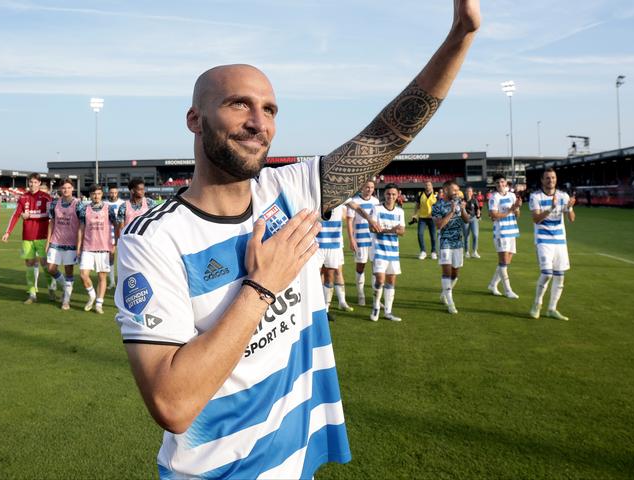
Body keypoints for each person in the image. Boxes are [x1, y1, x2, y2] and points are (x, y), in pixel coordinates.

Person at [113, 0, 480, 475]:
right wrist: (261, 288)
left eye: (269, 109)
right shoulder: (154, 239)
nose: (259, 123)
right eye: (238, 103)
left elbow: (389, 134)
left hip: (294, 462)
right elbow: (172, 404)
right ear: (194, 119)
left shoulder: (290, 190)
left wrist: (460, 37)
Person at [529, 168, 576, 320]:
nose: (551, 181)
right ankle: (537, 304)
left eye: (553, 178)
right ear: (542, 180)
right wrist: (551, 208)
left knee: (560, 276)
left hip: (560, 241)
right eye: (548, 178)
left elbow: (572, 219)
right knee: (547, 273)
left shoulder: (563, 195)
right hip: (543, 239)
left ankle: (552, 309)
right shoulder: (535, 196)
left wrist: (568, 207)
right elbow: (536, 219)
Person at [1, 173, 52, 304]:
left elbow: (49, 215)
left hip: (42, 236)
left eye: (35, 182)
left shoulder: (46, 197)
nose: (32, 184)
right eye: (30, 182)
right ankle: (32, 293)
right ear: (28, 183)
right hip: (27, 237)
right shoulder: (23, 197)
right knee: (29, 264)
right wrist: (8, 232)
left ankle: (51, 288)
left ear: (39, 183)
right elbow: (16, 215)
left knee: (45, 264)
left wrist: (30, 216)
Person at [78, 185, 119, 314]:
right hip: (88, 247)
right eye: (94, 194)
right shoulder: (85, 209)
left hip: (104, 247)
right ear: (90, 195)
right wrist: (78, 246)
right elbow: (81, 229)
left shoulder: (109, 209)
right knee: (83, 275)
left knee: (102, 277)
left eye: (99, 193)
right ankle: (92, 296)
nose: (96, 196)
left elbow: (116, 226)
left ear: (102, 194)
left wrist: (114, 244)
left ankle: (99, 304)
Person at [369, 183, 405, 321]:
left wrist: (389, 229)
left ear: (397, 196)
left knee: (391, 281)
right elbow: (372, 228)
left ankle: (388, 312)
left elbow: (402, 231)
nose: (391, 197)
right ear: (384, 194)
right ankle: (376, 306)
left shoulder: (400, 212)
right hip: (379, 249)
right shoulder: (376, 209)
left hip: (393, 252)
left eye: (393, 194)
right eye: (388, 194)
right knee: (380, 279)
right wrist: (391, 229)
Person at [432, 180, 470, 314]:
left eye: (458, 190)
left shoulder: (460, 203)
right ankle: (451, 303)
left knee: (455, 274)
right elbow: (439, 225)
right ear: (446, 190)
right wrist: (452, 212)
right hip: (445, 242)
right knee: (447, 273)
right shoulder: (437, 206)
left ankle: (445, 293)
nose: (457, 193)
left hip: (458, 242)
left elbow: (467, 220)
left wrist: (463, 208)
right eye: (454, 190)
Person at [46, 179, 80, 311]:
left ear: (72, 189)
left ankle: (66, 300)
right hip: (56, 242)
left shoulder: (78, 204)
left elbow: (82, 226)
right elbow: (51, 223)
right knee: (51, 269)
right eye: (64, 188)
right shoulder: (55, 203)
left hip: (71, 244)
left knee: (69, 272)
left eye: (68, 187)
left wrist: (79, 245)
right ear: (61, 189)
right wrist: (48, 242)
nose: (66, 190)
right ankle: (66, 288)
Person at [345, 180, 381, 306]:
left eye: (372, 187)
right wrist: (351, 239)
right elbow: (349, 221)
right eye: (367, 187)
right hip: (360, 239)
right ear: (362, 187)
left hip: (374, 240)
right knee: (361, 267)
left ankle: (376, 297)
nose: (369, 189)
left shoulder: (376, 202)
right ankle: (361, 295)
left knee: (376, 268)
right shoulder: (354, 201)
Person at [487, 174, 521, 298]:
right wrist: (511, 209)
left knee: (506, 262)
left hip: (512, 230)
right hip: (501, 232)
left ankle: (492, 284)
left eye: (502, 182)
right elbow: (493, 215)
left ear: (506, 182)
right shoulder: (493, 197)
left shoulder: (512, 195)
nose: (500, 184)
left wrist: (517, 208)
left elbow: (517, 215)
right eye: (497, 183)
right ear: (495, 185)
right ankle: (508, 290)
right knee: (503, 262)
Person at [319, 203, 354, 312]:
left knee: (336, 272)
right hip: (319, 242)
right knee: (318, 274)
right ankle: (319, 303)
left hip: (336, 244)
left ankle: (341, 302)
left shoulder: (342, 198)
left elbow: (344, 215)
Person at [104, 186, 125, 289]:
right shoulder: (105, 204)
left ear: (117, 193)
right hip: (108, 235)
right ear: (108, 193)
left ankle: (121, 281)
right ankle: (112, 281)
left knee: (122, 259)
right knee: (110, 258)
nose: (113, 194)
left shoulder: (123, 203)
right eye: (111, 192)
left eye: (115, 193)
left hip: (121, 235)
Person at [414, 181, 438, 260]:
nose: (427, 186)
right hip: (422, 218)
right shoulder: (420, 194)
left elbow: (438, 207)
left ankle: (433, 252)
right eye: (426, 185)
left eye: (429, 185)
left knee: (433, 236)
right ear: (425, 186)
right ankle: (423, 251)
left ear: (432, 186)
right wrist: (415, 214)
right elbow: (417, 205)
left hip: (432, 218)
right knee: (420, 234)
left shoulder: (436, 195)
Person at [463, 186, 481, 258]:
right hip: (465, 219)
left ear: (472, 192)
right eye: (467, 191)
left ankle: (474, 251)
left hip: (473, 219)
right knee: (466, 236)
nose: (468, 193)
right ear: (465, 192)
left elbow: (478, 209)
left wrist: (478, 214)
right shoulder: (462, 201)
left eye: (470, 191)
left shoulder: (474, 200)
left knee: (475, 235)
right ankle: (467, 252)